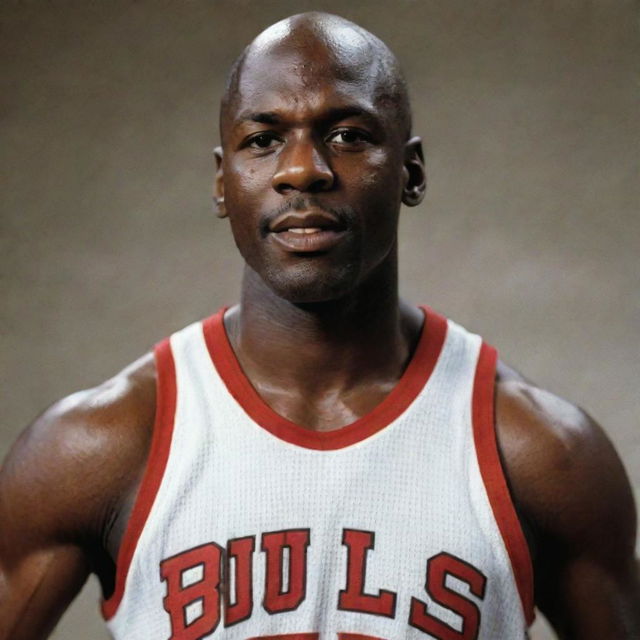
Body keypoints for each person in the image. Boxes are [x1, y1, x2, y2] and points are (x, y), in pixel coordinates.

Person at [0, 11, 638, 640]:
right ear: (223, 182)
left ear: (410, 172)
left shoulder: (539, 451)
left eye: (348, 134)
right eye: (263, 139)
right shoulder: (100, 447)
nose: (303, 170)